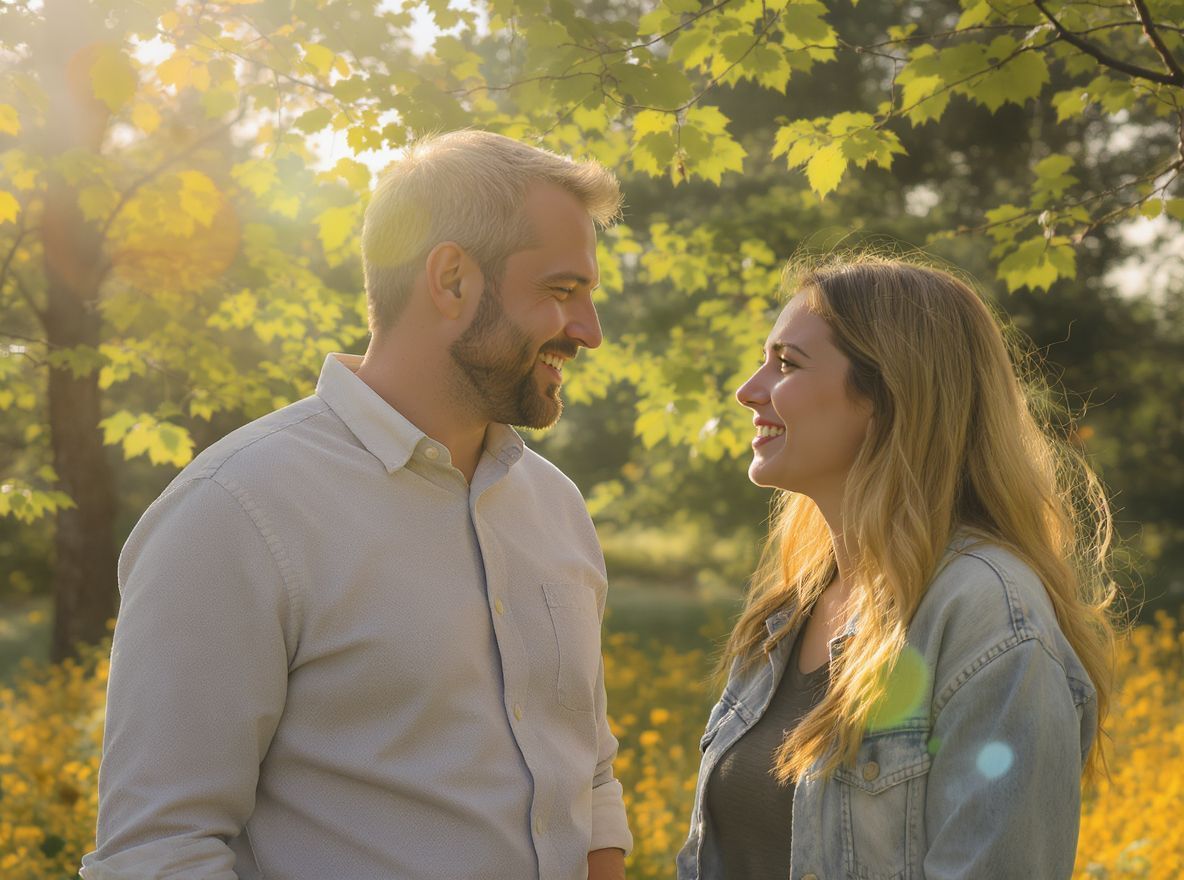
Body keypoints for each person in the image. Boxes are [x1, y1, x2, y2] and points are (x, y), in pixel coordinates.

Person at [81, 130, 632, 880]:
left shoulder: (556, 506)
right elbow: (158, 852)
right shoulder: (235, 512)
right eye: (562, 292)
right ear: (452, 280)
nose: (588, 332)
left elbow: (588, 777)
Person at [676, 254, 1118, 880]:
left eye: (786, 364)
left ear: (889, 396)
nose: (749, 390)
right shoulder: (789, 608)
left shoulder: (988, 614)